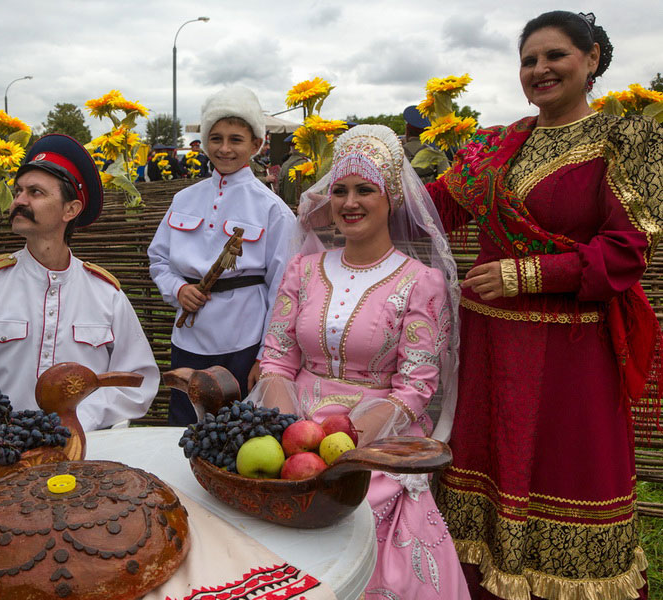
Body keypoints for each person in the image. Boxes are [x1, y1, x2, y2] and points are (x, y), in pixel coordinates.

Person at [426, 11, 662, 600]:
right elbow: (438, 206)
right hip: (487, 351)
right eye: (529, 60)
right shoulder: (502, 141)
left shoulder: (629, 139)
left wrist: (525, 274)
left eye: (555, 56)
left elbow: (627, 252)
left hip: (570, 356)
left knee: (567, 475)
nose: (540, 69)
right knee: (483, 473)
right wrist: (361, 193)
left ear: (592, 61)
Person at [255, 124, 467, 598]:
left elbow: (415, 388)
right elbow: (276, 360)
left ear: (392, 198)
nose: (350, 202)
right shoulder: (303, 268)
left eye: (365, 190)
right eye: (340, 190)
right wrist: (290, 435)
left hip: (378, 438)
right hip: (289, 423)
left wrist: (346, 449)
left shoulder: (422, 281)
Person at [0, 134, 159, 432]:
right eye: (19, 191)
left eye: (35, 192)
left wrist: (78, 421)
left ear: (70, 210)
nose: (19, 200)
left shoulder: (106, 294)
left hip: (83, 451)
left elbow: (136, 380)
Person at [148, 85, 295, 426]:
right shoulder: (184, 200)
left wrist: (266, 357)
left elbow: (284, 290)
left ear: (256, 145)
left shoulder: (272, 209)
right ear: (204, 141)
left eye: (236, 139)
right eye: (216, 138)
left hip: (243, 340)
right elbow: (159, 260)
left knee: (234, 430)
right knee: (185, 424)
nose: (225, 148)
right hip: (189, 337)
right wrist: (177, 290)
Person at [402, 105, 450, 184]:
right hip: (431, 194)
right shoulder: (437, 153)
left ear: (407, 130)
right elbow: (446, 180)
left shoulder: (396, 154)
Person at [277, 133, 309, 207]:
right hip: (302, 207)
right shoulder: (306, 164)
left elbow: (280, 188)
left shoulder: (285, 164)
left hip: (287, 207)